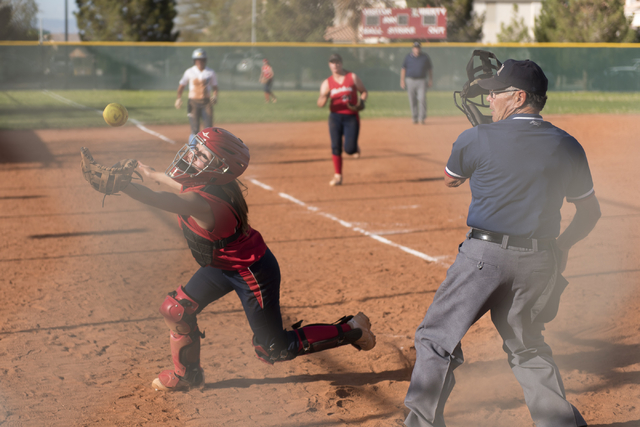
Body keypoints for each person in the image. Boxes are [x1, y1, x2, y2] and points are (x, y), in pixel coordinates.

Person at [404, 60, 601, 427]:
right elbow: (590, 212)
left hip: (483, 259)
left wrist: (482, 142)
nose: (490, 99)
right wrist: (563, 247)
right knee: (527, 346)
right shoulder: (567, 144)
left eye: (496, 93)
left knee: (435, 338)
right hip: (541, 262)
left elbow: (450, 178)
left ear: (519, 97)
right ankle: (559, 423)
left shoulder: (478, 137)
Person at [114, 127, 376, 391]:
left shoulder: (205, 202)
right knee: (176, 310)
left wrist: (125, 186)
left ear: (219, 168)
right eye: (196, 150)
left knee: (273, 348)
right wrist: (147, 172)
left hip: (252, 272)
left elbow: (164, 199)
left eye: (202, 155)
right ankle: (187, 376)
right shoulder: (210, 183)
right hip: (222, 265)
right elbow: (174, 184)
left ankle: (353, 329)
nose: (193, 156)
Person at [317, 53, 368, 186]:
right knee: (335, 147)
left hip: (351, 117)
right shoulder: (327, 83)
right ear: (329, 65)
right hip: (335, 117)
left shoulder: (352, 77)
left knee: (349, 150)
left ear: (342, 63)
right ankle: (338, 176)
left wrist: (361, 102)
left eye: (337, 62)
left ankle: (354, 147)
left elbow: (364, 91)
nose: (335, 65)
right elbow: (320, 104)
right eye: (332, 62)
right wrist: (325, 96)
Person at [175, 48, 218, 143]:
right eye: (198, 60)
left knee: (208, 129)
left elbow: (215, 87)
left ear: (205, 60)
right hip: (193, 103)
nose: (200, 62)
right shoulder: (189, 72)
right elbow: (182, 85)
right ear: (194, 61)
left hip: (206, 103)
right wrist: (178, 98)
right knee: (194, 129)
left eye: (202, 60)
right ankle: (193, 151)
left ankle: (208, 151)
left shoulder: (210, 72)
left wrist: (215, 96)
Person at [400, 41, 433, 125]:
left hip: (421, 80)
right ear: (413, 48)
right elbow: (403, 69)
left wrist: (430, 80)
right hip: (410, 80)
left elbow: (430, 69)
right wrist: (402, 81)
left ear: (420, 48)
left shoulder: (425, 57)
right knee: (412, 100)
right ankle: (414, 117)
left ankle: (422, 118)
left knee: (422, 99)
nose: (416, 49)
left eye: (418, 47)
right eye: (415, 47)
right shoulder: (408, 57)